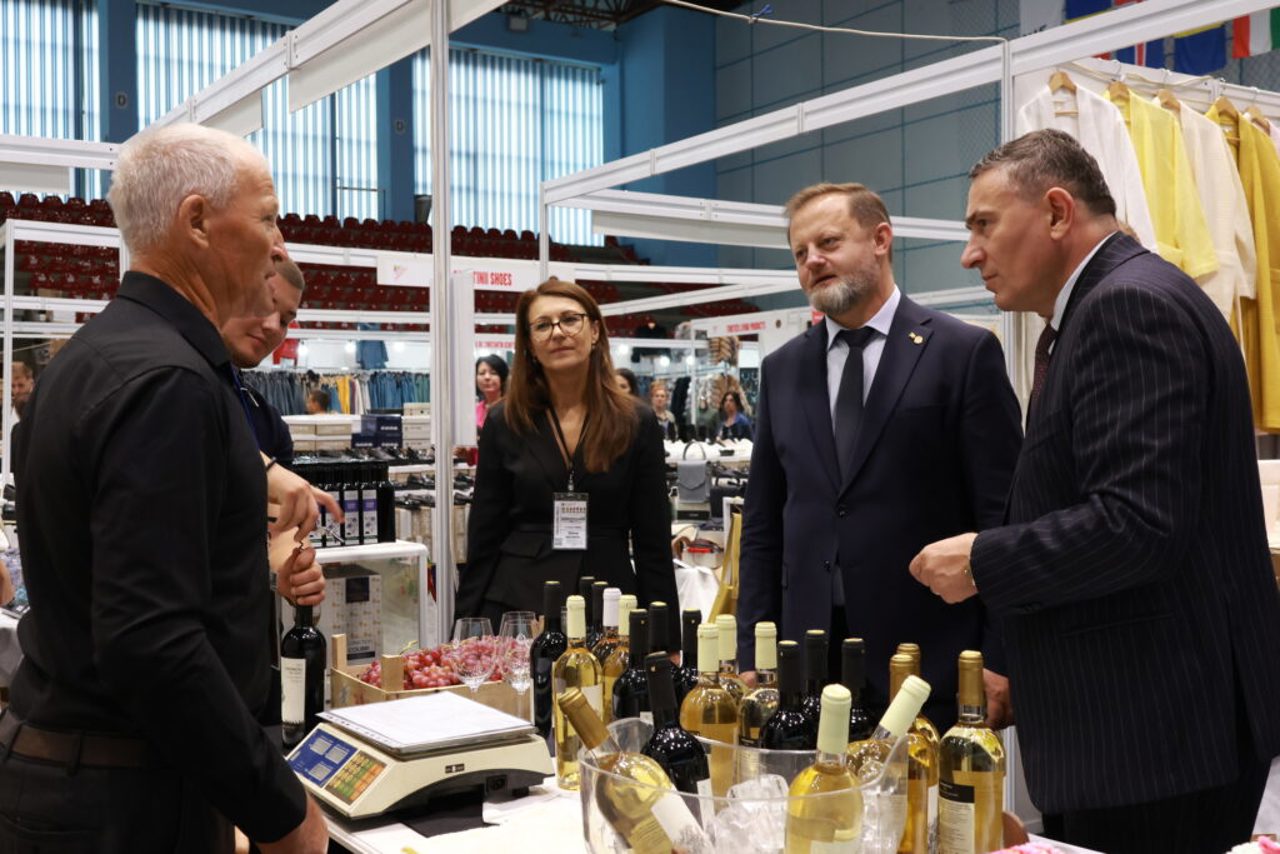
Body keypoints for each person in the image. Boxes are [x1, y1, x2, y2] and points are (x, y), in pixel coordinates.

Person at [911, 129, 1280, 852]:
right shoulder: (1107, 306)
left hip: (1155, 742)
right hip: (1147, 732)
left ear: (1056, 212)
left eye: (984, 225)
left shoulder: (1127, 307)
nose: (969, 254)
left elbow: (1137, 523)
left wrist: (983, 560)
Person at [2, 123, 328, 853]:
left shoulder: (95, 357)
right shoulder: (169, 383)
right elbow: (153, 642)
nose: (279, 245)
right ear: (197, 221)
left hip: (83, 781)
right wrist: (279, 809)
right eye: (268, 218)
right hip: (127, 803)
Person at [736, 181, 1022, 732]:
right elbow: (764, 523)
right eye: (800, 253)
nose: (812, 261)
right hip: (808, 661)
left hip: (929, 657)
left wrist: (1000, 655)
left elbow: (1004, 517)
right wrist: (754, 648)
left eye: (828, 243)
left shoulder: (961, 353)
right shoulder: (783, 369)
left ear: (881, 239)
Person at [458, 278, 681, 650]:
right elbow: (484, 534)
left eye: (570, 320)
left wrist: (667, 640)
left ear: (594, 331)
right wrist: (464, 628)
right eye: (543, 325)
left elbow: (653, 540)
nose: (558, 332)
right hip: (518, 606)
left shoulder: (635, 421)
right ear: (529, 344)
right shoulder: (505, 421)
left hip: (609, 603)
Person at [222, 249, 305, 467]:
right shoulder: (173, 383)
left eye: (285, 321)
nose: (273, 326)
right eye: (262, 304)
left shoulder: (270, 425)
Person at [475, 354, 508, 428]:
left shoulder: (509, 409)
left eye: (493, 373)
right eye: (482, 373)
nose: (487, 377)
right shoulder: (475, 410)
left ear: (502, 377)